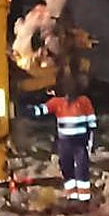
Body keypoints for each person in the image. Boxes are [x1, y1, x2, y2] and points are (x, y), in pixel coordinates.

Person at [25, 75, 96, 203]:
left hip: (79, 142)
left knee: (81, 167)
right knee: (66, 166)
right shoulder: (57, 103)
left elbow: (92, 122)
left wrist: (91, 141)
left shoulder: (84, 102)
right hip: (66, 142)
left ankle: (84, 198)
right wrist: (25, 110)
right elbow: (41, 110)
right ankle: (73, 196)